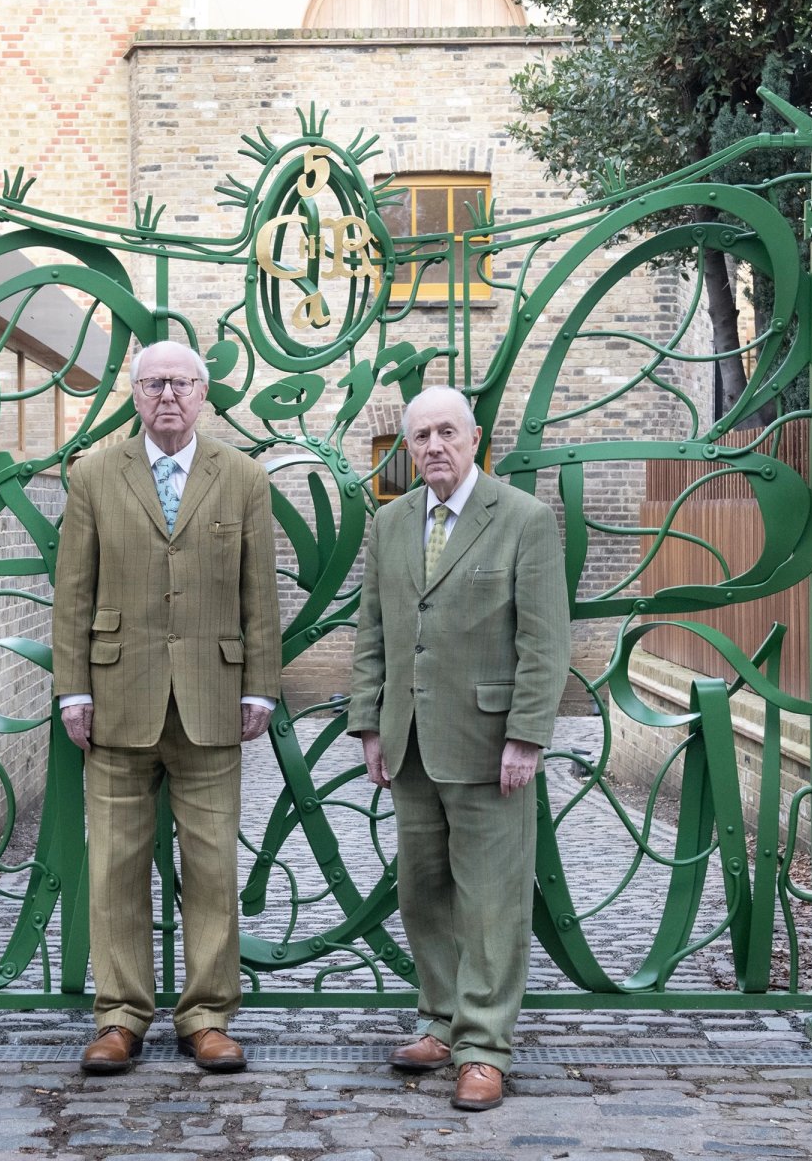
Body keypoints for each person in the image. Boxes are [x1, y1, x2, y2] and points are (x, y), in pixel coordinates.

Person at [52, 340, 281, 1076]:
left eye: (180, 383)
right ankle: (120, 1018)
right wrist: (74, 688)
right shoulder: (93, 475)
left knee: (211, 867)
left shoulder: (241, 476)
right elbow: (73, 593)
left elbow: (260, 594)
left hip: (213, 699)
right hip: (118, 699)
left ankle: (208, 1016)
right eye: (153, 384)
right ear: (135, 395)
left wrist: (260, 685)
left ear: (203, 391)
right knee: (116, 865)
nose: (168, 397)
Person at [348, 385, 571, 1111]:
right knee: (424, 897)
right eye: (421, 437)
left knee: (492, 902)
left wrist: (527, 734)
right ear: (407, 448)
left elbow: (544, 640)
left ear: (475, 438)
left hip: (489, 745)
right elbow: (374, 632)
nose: (434, 446)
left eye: (447, 432)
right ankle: (439, 1022)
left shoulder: (524, 520)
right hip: (410, 743)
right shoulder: (389, 523)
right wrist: (370, 724)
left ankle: (484, 1047)